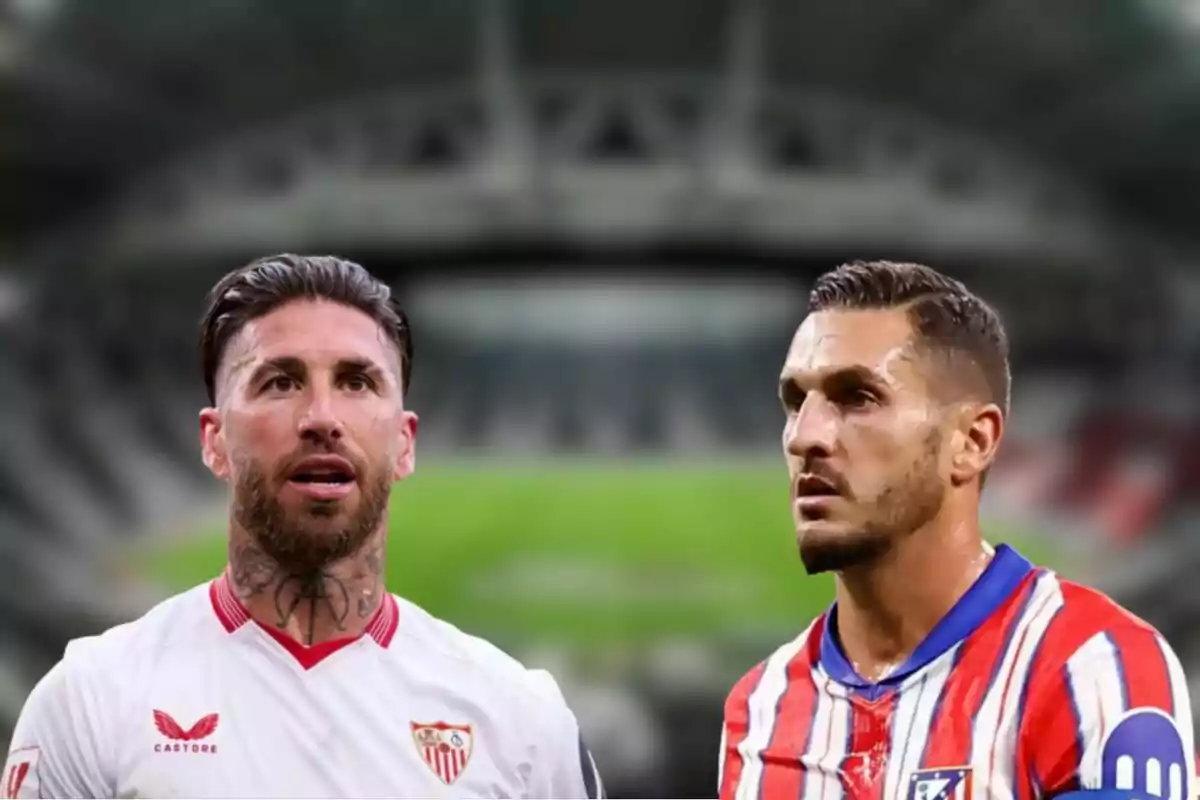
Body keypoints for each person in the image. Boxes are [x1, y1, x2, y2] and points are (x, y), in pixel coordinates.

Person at [2, 254, 605, 799]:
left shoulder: (520, 721)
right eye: (280, 382)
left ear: (404, 442)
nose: (322, 418)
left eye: (357, 382)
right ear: (214, 441)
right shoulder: (90, 702)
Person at [719, 260, 1194, 800]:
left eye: (857, 398)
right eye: (795, 401)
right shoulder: (760, 707)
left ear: (973, 441)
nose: (805, 436)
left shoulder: (1094, 668)